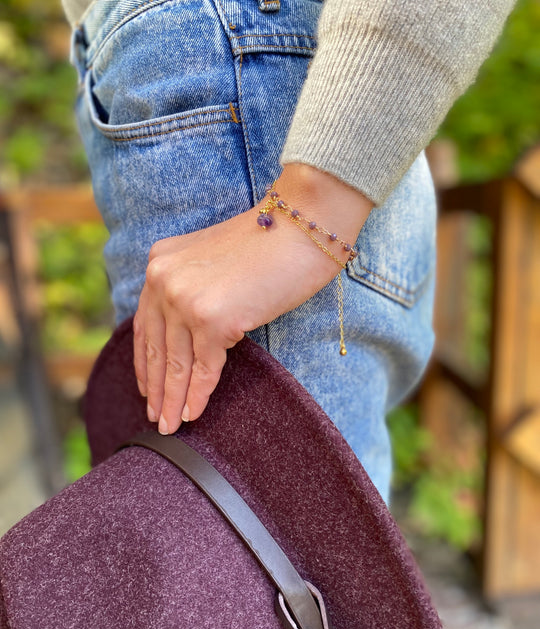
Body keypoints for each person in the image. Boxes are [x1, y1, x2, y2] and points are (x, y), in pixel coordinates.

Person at [63, 0, 515, 503]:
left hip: (249, 79)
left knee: (263, 560)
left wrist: (313, 207)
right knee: (225, 549)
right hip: (209, 73)